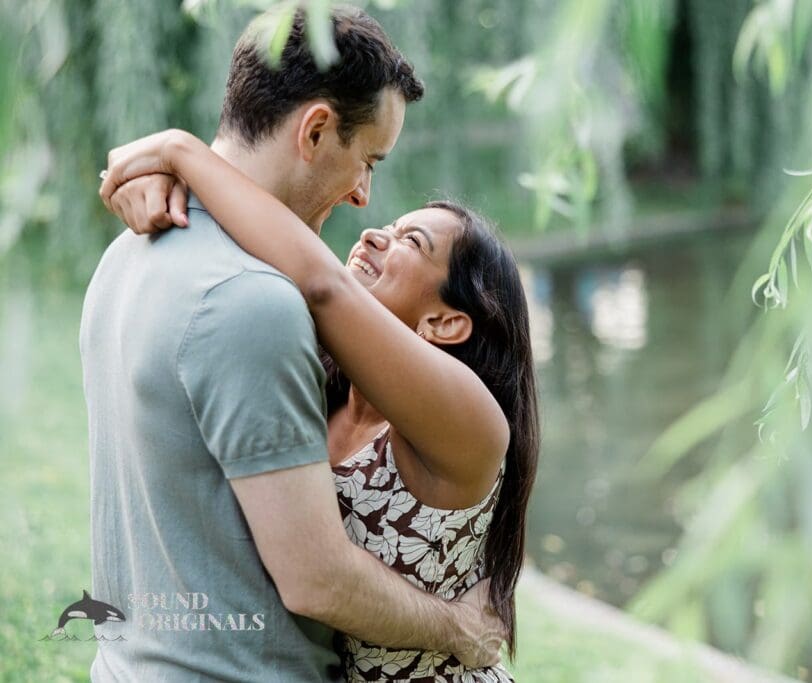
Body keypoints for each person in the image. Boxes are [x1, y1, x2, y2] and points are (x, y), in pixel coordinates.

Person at [81, 6, 505, 681]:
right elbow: (318, 579)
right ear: (314, 130)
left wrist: (181, 156)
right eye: (366, 159)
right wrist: (456, 625)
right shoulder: (253, 302)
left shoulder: (127, 251)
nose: (365, 199)